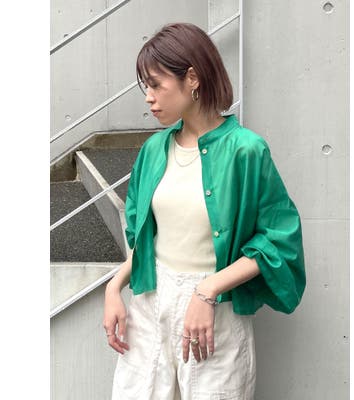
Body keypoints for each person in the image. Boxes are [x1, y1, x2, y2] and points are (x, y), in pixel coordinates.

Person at [103, 22, 306, 400]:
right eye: (145, 87)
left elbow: (279, 240)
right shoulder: (153, 150)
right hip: (149, 303)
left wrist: (208, 289)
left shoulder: (247, 151)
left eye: (156, 84)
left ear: (192, 79)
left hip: (214, 311)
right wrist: (114, 287)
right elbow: (146, 238)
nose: (148, 98)